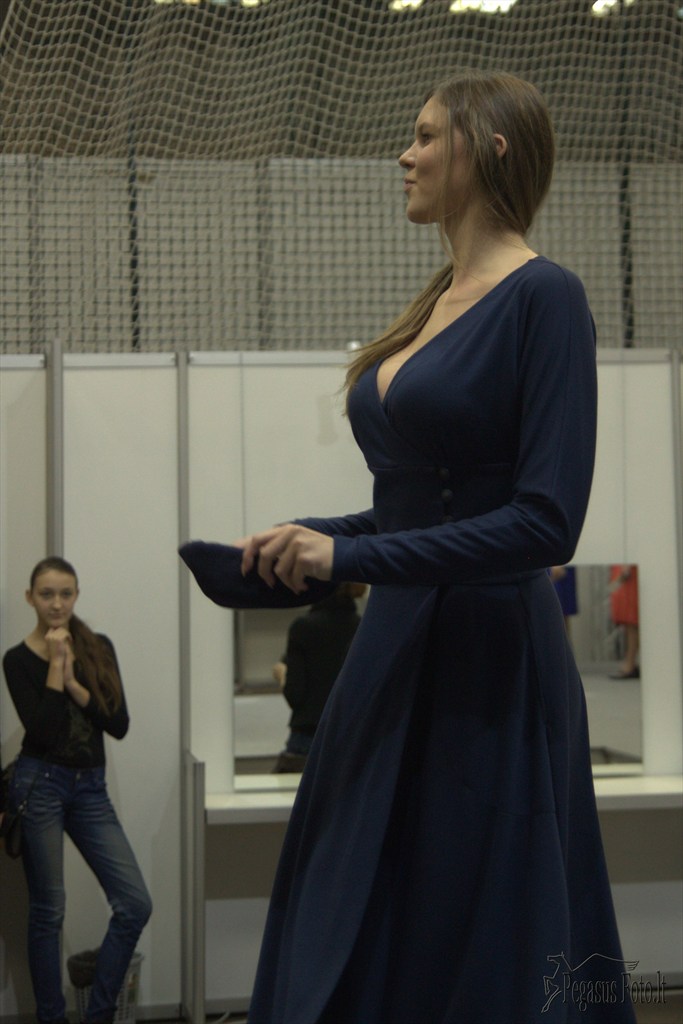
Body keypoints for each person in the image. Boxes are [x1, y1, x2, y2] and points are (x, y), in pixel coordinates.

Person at [182, 69, 634, 1023]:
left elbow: (545, 523)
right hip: (391, 654)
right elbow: (414, 509)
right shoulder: (434, 300)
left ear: (487, 148)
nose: (406, 153)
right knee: (351, 911)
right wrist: (312, 540)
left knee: (467, 933)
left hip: (486, 670)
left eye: (427, 135)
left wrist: (346, 560)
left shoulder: (546, 297)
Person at [2, 557, 152, 1024]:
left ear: (76, 596)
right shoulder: (16, 660)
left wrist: (72, 680)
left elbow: (118, 723)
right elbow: (44, 731)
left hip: (90, 789)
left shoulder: (97, 647)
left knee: (134, 903)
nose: (56, 604)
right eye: (46, 594)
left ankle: (99, 1015)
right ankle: (52, 1018)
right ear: (30, 598)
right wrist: (55, 666)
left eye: (65, 594)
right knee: (49, 912)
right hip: (39, 785)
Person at [271, 582, 365, 773]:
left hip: (307, 737)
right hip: (352, 738)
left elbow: (295, 694)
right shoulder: (363, 628)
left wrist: (282, 674)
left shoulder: (302, 628)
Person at [609, 564, 640, 678]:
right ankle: (630, 662)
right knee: (629, 623)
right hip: (624, 572)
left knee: (631, 623)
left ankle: (630, 663)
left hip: (629, 574)